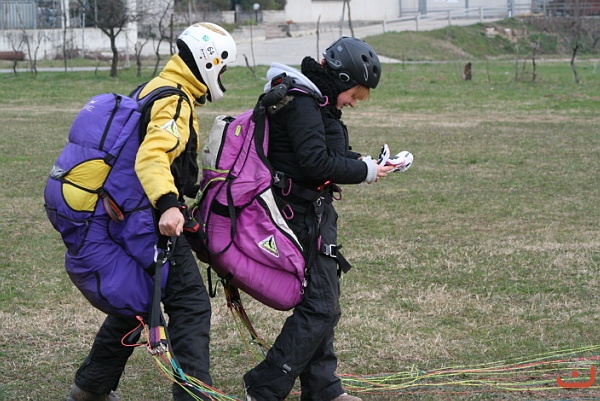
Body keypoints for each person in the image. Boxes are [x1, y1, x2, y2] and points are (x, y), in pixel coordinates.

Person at [66, 22, 237, 401]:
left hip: (123, 215)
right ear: (210, 61)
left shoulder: (151, 88)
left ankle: (91, 387)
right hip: (150, 221)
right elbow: (152, 155)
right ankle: (193, 396)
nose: (223, 76)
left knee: (139, 297)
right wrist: (169, 205)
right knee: (190, 305)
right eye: (223, 68)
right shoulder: (174, 99)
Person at [243, 37, 394, 401]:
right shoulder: (302, 102)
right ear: (342, 80)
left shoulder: (314, 101)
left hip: (313, 213)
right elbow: (315, 163)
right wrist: (366, 172)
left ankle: (323, 388)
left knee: (325, 302)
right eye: (354, 95)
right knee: (321, 305)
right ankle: (263, 387)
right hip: (298, 216)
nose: (353, 103)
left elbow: (324, 152)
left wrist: (366, 163)